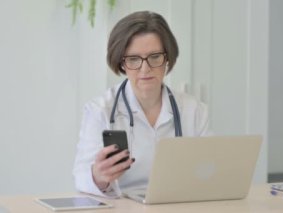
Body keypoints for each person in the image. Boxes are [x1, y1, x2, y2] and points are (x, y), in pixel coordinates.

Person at [73, 11, 210, 198]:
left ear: (167, 58)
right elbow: (81, 176)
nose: (145, 69)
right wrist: (98, 176)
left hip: (178, 205)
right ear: (122, 63)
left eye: (155, 57)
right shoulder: (100, 111)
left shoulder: (194, 111)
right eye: (134, 59)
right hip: (122, 206)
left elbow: (211, 170)